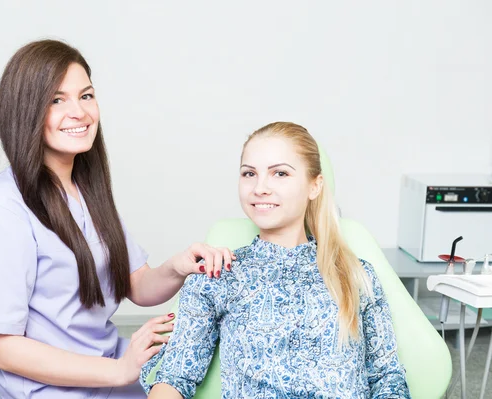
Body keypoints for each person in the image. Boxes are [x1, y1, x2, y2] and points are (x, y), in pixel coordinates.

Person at [0, 39, 233, 399]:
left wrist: (179, 267)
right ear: (25, 110)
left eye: (86, 95)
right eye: (57, 100)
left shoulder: (84, 189)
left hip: (108, 370)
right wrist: (119, 369)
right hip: (53, 389)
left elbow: (136, 283)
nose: (79, 112)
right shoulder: (2, 208)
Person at [142, 122, 411, 398]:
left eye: (279, 173)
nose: (260, 188)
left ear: (314, 186)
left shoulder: (356, 275)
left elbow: (387, 378)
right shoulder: (217, 276)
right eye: (249, 174)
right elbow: (174, 378)